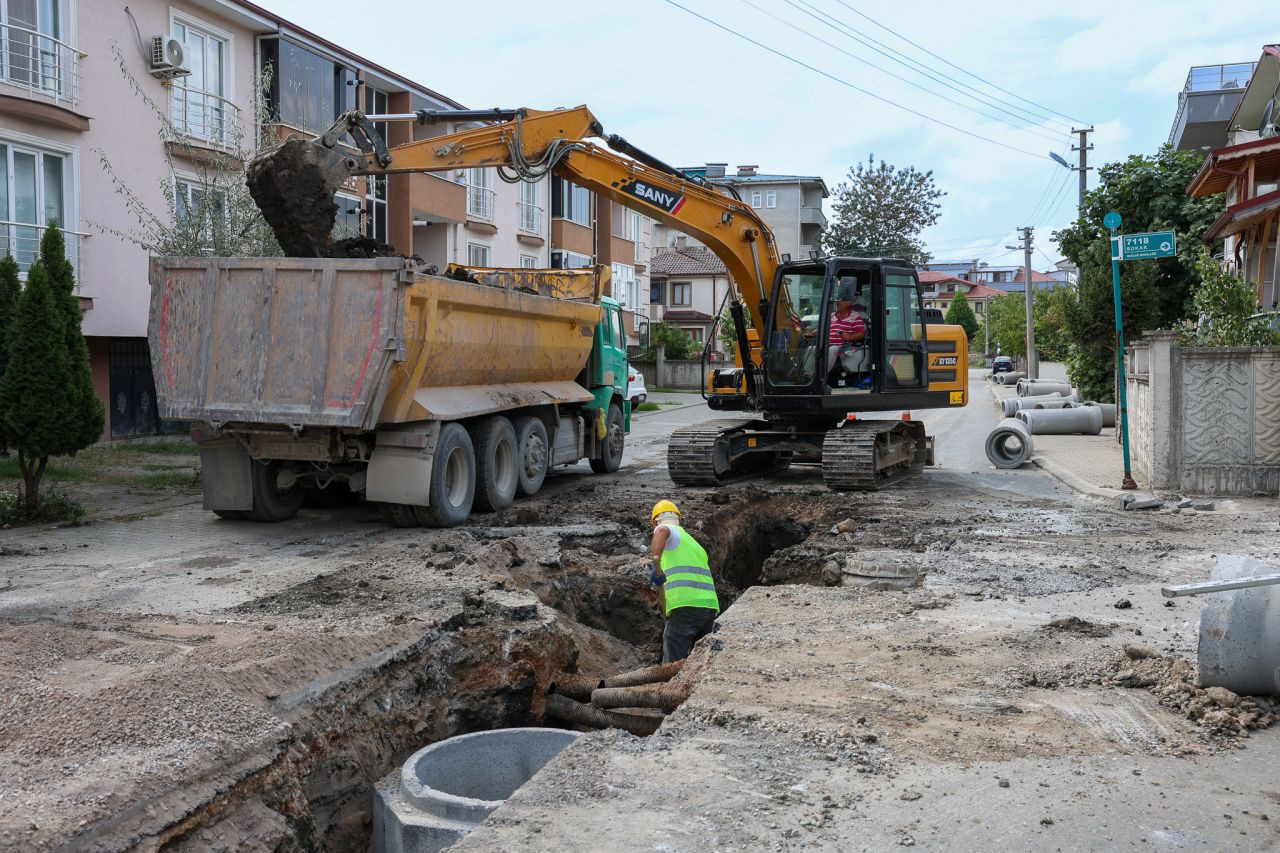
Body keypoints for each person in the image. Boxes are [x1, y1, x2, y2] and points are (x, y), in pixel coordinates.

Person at [647, 499, 719, 663]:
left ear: (655, 522)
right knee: (700, 658)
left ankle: (670, 683)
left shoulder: (667, 529)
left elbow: (661, 531)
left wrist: (655, 559)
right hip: (709, 607)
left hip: (686, 604)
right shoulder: (692, 542)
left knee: (673, 643)